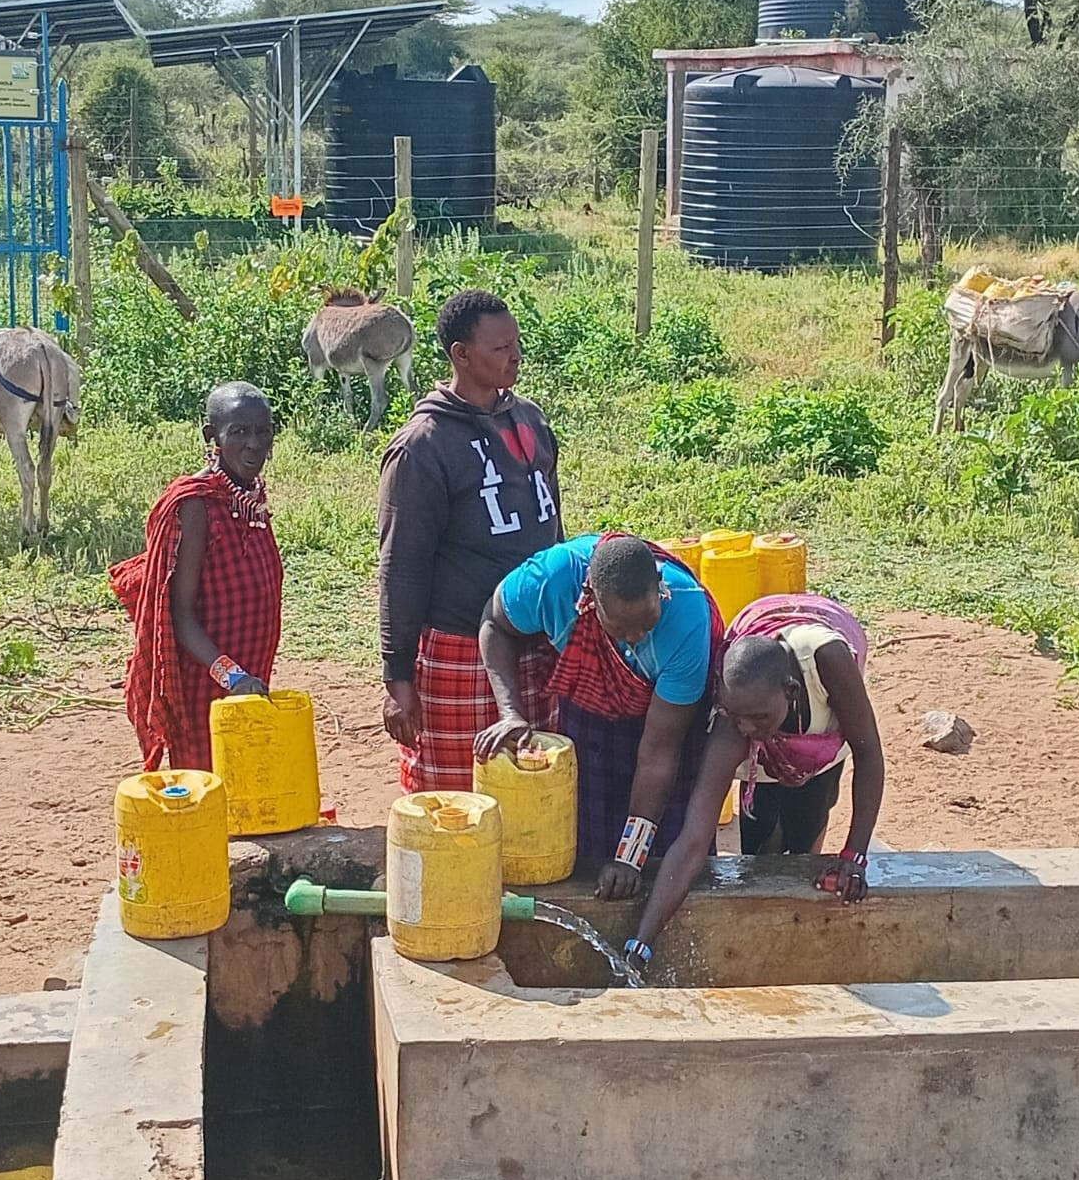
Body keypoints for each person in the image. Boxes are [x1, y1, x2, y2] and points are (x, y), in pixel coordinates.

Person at [625, 593, 885, 972]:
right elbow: (694, 839)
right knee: (761, 836)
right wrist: (642, 942)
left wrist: (854, 858)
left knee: (806, 828)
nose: (746, 728)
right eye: (736, 717)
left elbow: (869, 753)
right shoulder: (736, 723)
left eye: (757, 718)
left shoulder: (827, 661)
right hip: (765, 756)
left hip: (823, 743)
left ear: (790, 692)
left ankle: (803, 949)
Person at [378, 289, 561, 793]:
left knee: (532, 797)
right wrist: (398, 679)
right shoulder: (422, 447)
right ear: (461, 354)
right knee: (458, 801)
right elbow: (401, 568)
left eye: (517, 343)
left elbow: (555, 530)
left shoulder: (530, 419)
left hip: (536, 643)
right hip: (460, 649)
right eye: (501, 348)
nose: (516, 355)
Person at [475, 533, 724, 899]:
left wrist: (631, 856)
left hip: (672, 721)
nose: (636, 636)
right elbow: (494, 623)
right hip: (593, 708)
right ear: (591, 601)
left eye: (647, 622)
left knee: (669, 851)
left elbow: (658, 753)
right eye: (621, 628)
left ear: (661, 586)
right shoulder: (551, 581)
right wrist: (510, 712)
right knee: (589, 841)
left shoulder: (687, 616)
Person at [110, 382, 282, 771]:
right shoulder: (195, 505)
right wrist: (231, 675)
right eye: (239, 432)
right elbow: (180, 615)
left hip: (248, 678)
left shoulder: (248, 498)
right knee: (208, 793)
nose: (254, 444)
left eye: (263, 431)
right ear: (212, 437)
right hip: (205, 682)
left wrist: (244, 679)